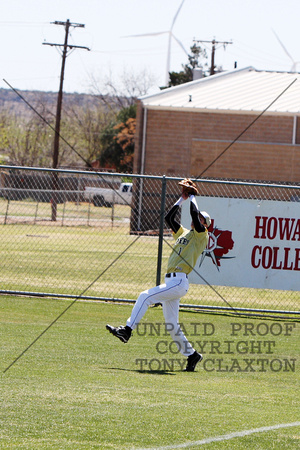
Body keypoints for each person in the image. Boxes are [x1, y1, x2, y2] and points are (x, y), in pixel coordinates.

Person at [106, 179, 211, 372]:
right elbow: (169, 219)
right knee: (172, 326)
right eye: (201, 219)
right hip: (172, 281)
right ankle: (192, 355)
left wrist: (193, 197)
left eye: (204, 220)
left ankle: (127, 331)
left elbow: (195, 216)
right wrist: (182, 198)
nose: (200, 220)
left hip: (179, 281)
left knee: (145, 296)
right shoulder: (184, 234)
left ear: (206, 225)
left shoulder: (201, 235)